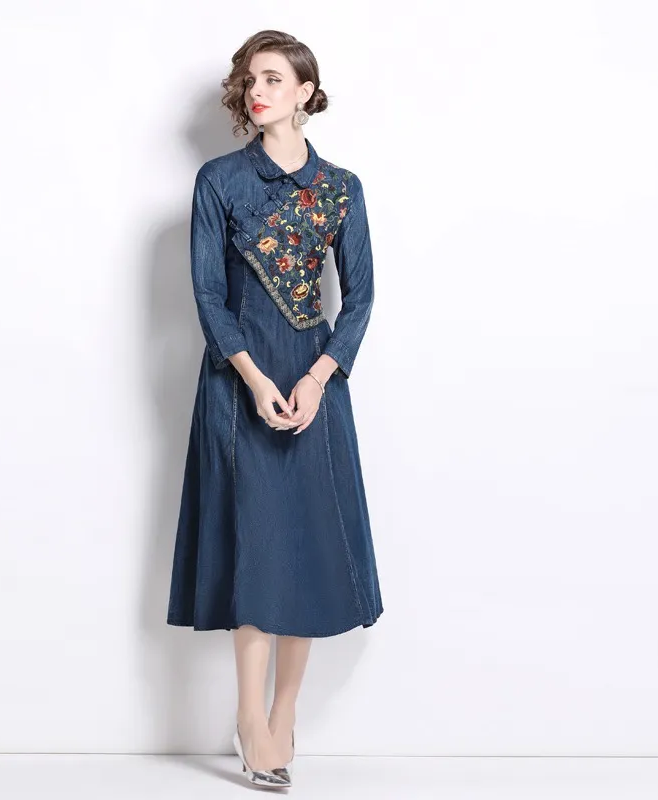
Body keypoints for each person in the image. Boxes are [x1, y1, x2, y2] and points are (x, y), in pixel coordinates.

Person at [166, 29, 384, 789]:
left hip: (314, 382)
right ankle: (249, 719)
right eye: (249, 79)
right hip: (240, 382)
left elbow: (361, 297)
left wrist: (319, 379)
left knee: (307, 548)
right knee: (255, 548)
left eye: (271, 79)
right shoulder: (220, 181)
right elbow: (207, 296)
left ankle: (283, 712)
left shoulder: (341, 187)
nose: (255, 91)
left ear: (305, 93)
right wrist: (256, 381)